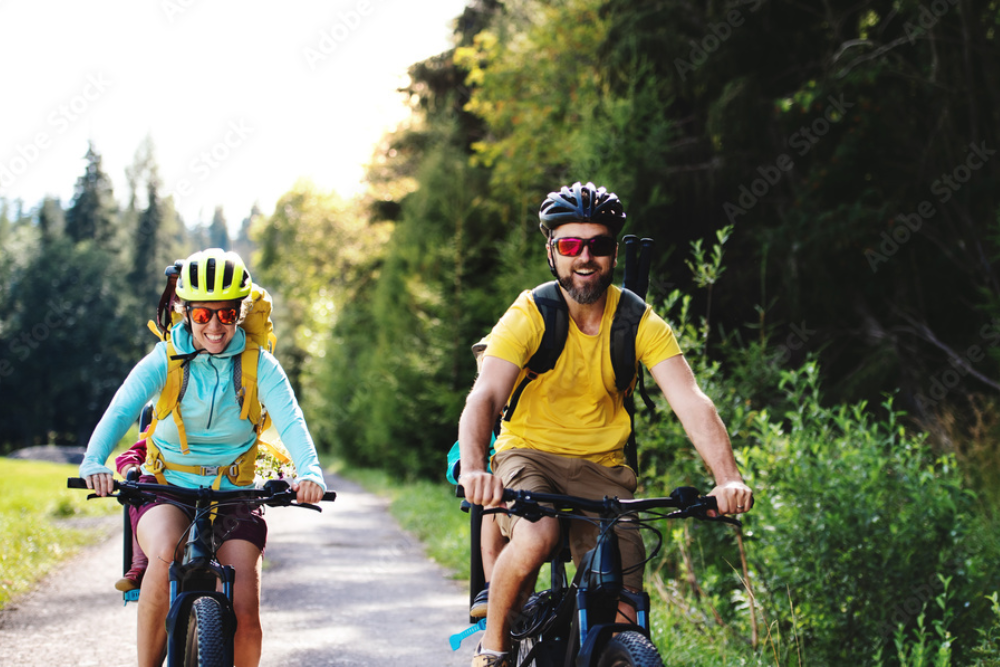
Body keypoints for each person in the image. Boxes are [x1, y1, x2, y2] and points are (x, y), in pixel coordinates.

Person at [458, 182, 754, 667]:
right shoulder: (531, 313)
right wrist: (475, 469)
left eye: (597, 244)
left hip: (605, 470)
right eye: (571, 245)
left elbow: (692, 402)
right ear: (552, 252)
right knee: (537, 536)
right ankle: (493, 651)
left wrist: (728, 479)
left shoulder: (638, 322)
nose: (585, 257)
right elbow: (485, 396)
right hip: (528, 454)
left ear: (614, 252)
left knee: (623, 601)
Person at [79, 248, 327, 667]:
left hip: (235, 493)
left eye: (226, 315)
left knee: (245, 604)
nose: (214, 326)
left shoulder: (260, 365)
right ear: (184, 310)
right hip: (168, 486)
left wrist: (311, 472)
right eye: (202, 315)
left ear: (238, 313)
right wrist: (94, 461)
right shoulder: (166, 359)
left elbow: (291, 421)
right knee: (162, 556)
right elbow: (121, 410)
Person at [113, 438, 149, 592]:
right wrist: (129, 465)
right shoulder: (167, 418)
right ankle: (140, 565)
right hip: (167, 490)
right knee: (141, 497)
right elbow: (136, 451)